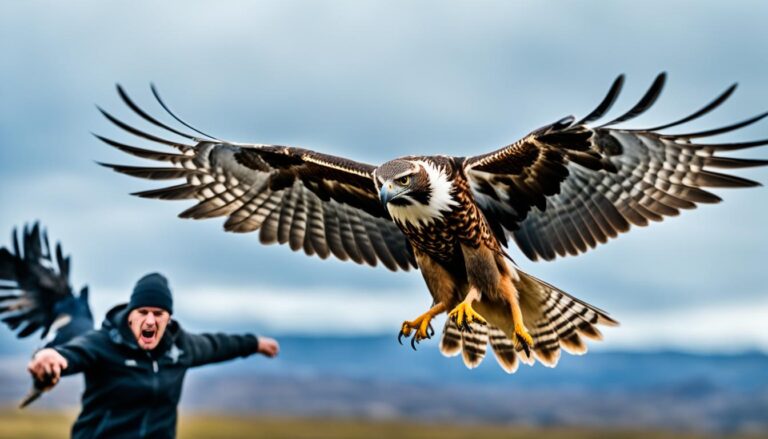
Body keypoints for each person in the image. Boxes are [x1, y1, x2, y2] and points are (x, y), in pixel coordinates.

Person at [27, 273, 279, 439]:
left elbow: (217, 345)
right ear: (131, 314)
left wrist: (254, 343)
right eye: (143, 312)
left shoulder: (180, 348)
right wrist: (52, 356)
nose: (150, 320)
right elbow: (75, 352)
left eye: (158, 313)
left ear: (168, 318)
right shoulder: (104, 343)